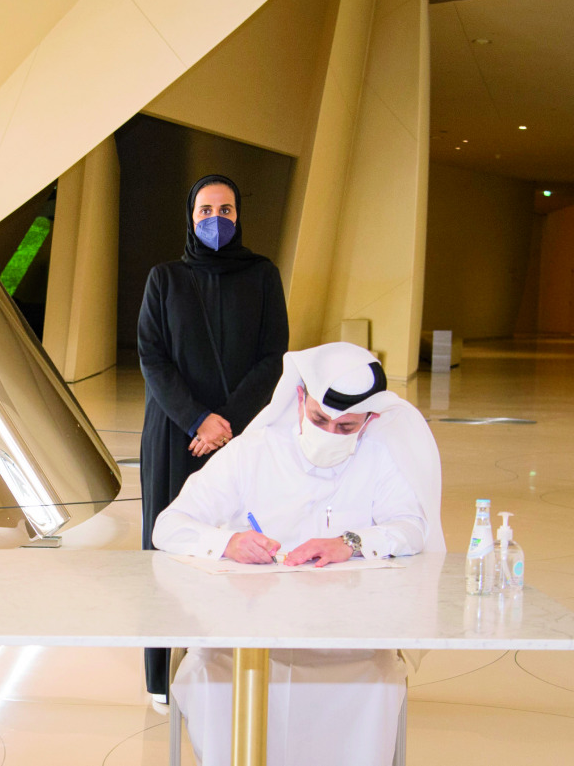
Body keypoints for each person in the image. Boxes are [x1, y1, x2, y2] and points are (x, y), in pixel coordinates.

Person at [152, 342, 441, 766]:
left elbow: (412, 528)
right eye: (320, 419)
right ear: (301, 398)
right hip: (242, 637)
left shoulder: (380, 458)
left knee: (376, 685)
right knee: (210, 681)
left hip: (347, 643)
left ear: (370, 419)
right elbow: (169, 526)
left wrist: (351, 542)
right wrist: (228, 543)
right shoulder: (251, 452)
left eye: (346, 428)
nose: (330, 434)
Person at [137, 174, 288, 704]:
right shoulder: (166, 278)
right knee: (165, 544)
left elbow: (274, 356)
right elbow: (151, 357)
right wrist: (198, 419)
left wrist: (226, 421)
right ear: (190, 215)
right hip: (175, 433)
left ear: (239, 214)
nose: (214, 219)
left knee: (240, 541)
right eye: (205, 210)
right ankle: (159, 674)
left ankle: (232, 660)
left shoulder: (262, 274)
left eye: (225, 208)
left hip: (242, 435)